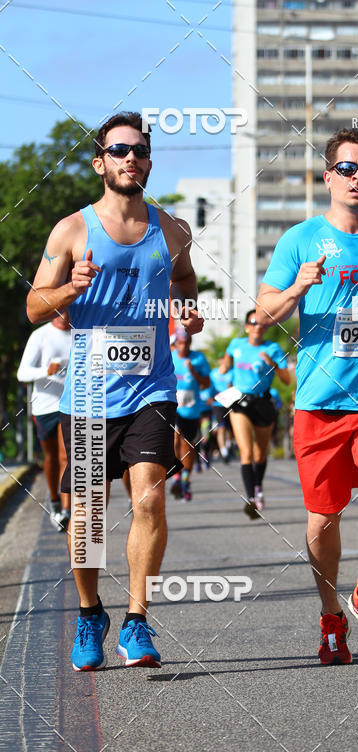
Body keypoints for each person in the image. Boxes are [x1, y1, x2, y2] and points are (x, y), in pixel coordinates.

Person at [26, 111, 203, 670]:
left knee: (149, 496)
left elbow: (184, 278)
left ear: (148, 162)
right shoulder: (72, 230)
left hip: (153, 388)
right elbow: (33, 305)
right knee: (87, 518)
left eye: (140, 151)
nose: (131, 158)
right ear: (101, 162)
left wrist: (188, 309)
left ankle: (136, 622)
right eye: (119, 150)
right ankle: (89, 612)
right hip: (87, 396)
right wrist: (67, 290)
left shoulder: (171, 228)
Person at [255, 127, 358, 665]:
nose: (357, 178)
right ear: (328, 177)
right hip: (320, 401)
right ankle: (331, 615)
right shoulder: (298, 240)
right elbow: (263, 314)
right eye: (347, 168)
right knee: (322, 521)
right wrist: (299, 288)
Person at [223, 310, 290, 518]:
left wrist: (272, 364)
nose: (257, 327)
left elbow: (287, 379)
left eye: (261, 323)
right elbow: (225, 364)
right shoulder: (236, 345)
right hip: (239, 401)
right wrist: (224, 367)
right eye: (253, 323)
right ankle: (251, 498)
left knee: (260, 453)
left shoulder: (273, 349)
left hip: (263, 402)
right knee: (246, 452)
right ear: (246, 327)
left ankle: (258, 486)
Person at [17, 312, 72, 530]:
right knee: (50, 457)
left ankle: (67, 510)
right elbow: (22, 373)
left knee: (65, 455)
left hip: (70, 405)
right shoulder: (40, 336)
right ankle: (55, 501)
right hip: (44, 406)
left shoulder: (80, 334)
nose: (66, 313)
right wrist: (45, 370)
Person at [170, 326, 210, 500]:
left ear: (190, 342)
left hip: (192, 409)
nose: (183, 346)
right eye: (180, 343)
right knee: (174, 439)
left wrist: (194, 372)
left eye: (186, 343)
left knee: (188, 447)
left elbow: (206, 383)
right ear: (175, 343)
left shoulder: (198, 359)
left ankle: (185, 479)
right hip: (173, 407)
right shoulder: (169, 357)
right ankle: (176, 476)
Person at [208, 358, 234, 463]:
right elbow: (208, 387)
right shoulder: (213, 374)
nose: (226, 362)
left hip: (230, 403)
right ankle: (224, 452)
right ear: (219, 361)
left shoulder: (233, 372)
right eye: (223, 360)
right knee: (221, 427)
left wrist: (232, 386)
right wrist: (209, 397)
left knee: (230, 428)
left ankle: (228, 445)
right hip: (217, 404)